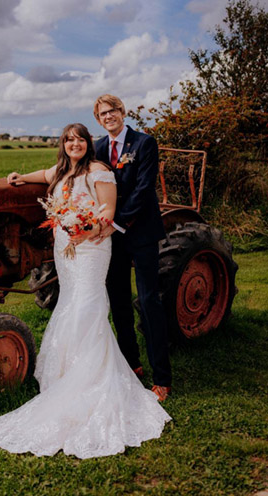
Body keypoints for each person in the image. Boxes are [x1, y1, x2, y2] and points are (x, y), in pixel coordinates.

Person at [0, 123, 171, 459]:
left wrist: (89, 228)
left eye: (79, 139)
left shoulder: (99, 170)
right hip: (65, 246)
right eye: (68, 140)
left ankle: (92, 375)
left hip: (92, 243)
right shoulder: (62, 170)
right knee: (69, 302)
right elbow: (43, 173)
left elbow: (108, 210)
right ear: (63, 145)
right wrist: (19, 178)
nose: (74, 144)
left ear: (87, 144)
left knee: (88, 304)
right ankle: (66, 371)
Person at [92, 94, 172, 401]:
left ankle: (162, 376)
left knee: (149, 301)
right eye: (103, 113)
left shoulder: (144, 143)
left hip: (141, 231)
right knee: (119, 300)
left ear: (122, 112)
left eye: (113, 110)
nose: (109, 116)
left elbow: (142, 188)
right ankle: (132, 363)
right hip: (112, 236)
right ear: (98, 119)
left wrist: (116, 221)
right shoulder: (98, 147)